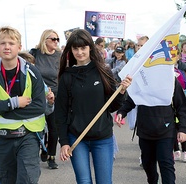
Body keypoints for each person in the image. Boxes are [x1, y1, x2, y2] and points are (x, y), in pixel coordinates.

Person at [55, 29, 132, 184]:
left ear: (90, 47)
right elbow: (60, 112)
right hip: (77, 138)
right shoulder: (66, 77)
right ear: (70, 50)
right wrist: (63, 142)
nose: (79, 52)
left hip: (102, 137)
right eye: (75, 48)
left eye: (83, 48)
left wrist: (122, 91)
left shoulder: (104, 71)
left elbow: (112, 106)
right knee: (84, 182)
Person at [0, 26, 46, 184]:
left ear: (19, 47)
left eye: (11, 43)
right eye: (2, 43)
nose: (7, 47)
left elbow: (39, 107)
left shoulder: (32, 72)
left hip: (28, 137)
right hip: (1, 139)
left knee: (27, 180)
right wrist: (14, 103)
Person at [115, 77, 186, 184]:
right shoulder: (141, 79)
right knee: (147, 164)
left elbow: (182, 107)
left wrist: (182, 129)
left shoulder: (171, 80)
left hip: (166, 130)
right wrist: (121, 112)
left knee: (166, 164)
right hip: (145, 129)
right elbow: (131, 100)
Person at [29, 29, 61, 169]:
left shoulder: (60, 55)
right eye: (53, 39)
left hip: (55, 94)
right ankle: (43, 147)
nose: (56, 41)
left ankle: (51, 156)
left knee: (54, 127)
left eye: (57, 39)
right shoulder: (35, 53)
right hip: (37, 95)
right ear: (44, 40)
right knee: (40, 126)